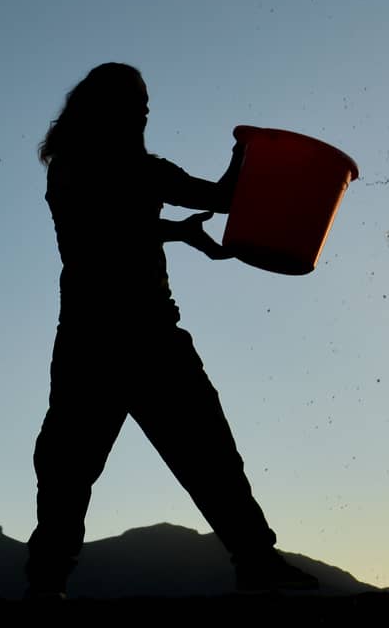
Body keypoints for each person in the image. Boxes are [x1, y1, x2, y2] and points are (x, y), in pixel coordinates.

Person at [25, 62, 317, 598]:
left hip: (154, 333)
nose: (144, 109)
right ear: (102, 108)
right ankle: (46, 581)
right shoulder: (70, 167)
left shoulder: (146, 168)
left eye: (145, 101)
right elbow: (96, 228)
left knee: (208, 450)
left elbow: (223, 198)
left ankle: (256, 559)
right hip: (94, 338)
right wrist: (173, 232)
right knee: (68, 466)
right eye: (134, 100)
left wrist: (245, 151)